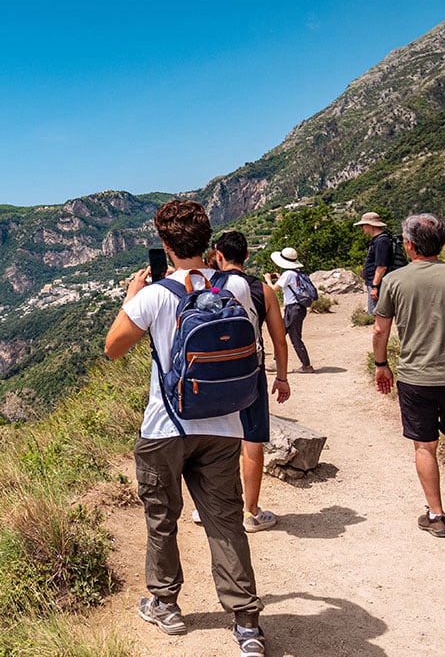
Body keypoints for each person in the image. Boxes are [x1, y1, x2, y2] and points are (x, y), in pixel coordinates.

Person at [105, 199, 265, 656]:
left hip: (166, 425)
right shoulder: (232, 291)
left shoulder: (156, 296)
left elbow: (113, 348)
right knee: (226, 522)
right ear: (208, 242)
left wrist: (131, 297)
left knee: (162, 520)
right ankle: (247, 623)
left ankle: (166, 604)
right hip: (224, 424)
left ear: (164, 245)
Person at [372, 213, 445, 538]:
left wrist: (381, 365)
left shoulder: (394, 281)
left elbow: (380, 330)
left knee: (425, 447)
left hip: (415, 376)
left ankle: (436, 516)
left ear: (408, 244)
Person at [213, 231, 291, 532]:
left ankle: (217, 507)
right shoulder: (262, 289)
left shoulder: (209, 286)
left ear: (219, 255)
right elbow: (279, 340)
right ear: (247, 256)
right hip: (251, 373)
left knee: (218, 440)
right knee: (251, 439)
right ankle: (251, 512)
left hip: (215, 376)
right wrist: (282, 377)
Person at [264, 248, 314, 373]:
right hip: (297, 309)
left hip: (293, 309)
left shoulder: (288, 274)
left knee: (294, 337)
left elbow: (273, 289)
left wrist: (268, 280)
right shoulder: (297, 273)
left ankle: (307, 366)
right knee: (280, 333)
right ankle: (277, 362)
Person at [354, 211, 393, 315]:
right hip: (374, 282)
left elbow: (382, 266)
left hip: (377, 284)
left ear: (370, 225)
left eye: (363, 225)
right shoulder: (379, 240)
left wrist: (375, 286)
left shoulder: (381, 242)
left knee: (376, 314)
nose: (362, 228)